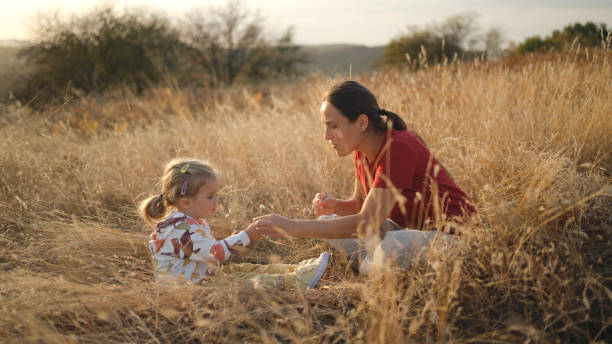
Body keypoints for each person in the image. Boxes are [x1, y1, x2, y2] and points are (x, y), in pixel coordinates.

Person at [253, 81, 476, 273]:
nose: (326, 136)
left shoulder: (399, 147)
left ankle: (369, 266)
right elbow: (361, 204)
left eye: (333, 126)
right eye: (325, 127)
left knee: (393, 245)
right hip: (407, 232)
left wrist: (291, 227)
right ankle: (372, 264)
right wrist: (335, 206)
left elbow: (367, 222)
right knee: (327, 222)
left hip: (453, 239)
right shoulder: (361, 150)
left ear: (361, 123)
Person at [139, 158, 330, 289]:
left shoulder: (185, 222)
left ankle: (295, 270)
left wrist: (235, 240)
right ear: (186, 202)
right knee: (243, 280)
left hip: (202, 277)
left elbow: (207, 255)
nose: (216, 201)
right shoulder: (180, 230)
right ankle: (294, 282)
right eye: (210, 196)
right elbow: (216, 253)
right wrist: (246, 236)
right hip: (191, 288)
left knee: (242, 268)